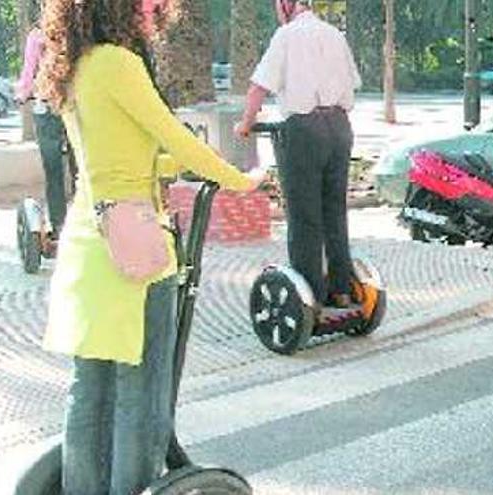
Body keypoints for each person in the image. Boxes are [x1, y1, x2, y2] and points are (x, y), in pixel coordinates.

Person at [36, 0, 265, 493]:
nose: (156, 6)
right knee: (141, 395)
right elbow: (175, 138)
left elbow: (115, 156)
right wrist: (241, 181)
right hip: (132, 250)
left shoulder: (76, 63)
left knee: (90, 389)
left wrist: (164, 170)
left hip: (87, 242)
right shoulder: (119, 63)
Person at [234, 0, 362, 315]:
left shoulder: (287, 36)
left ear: (286, 5)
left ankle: (311, 298)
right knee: (334, 210)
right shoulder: (335, 34)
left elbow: (258, 87)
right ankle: (342, 291)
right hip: (339, 127)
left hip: (304, 130)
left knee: (304, 216)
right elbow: (352, 83)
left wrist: (245, 124)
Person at [15, 17, 69, 239]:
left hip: (46, 108)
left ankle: (58, 226)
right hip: (74, 106)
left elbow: (29, 72)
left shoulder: (37, 35)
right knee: (83, 169)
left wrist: (22, 95)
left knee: (54, 171)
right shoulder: (77, 33)